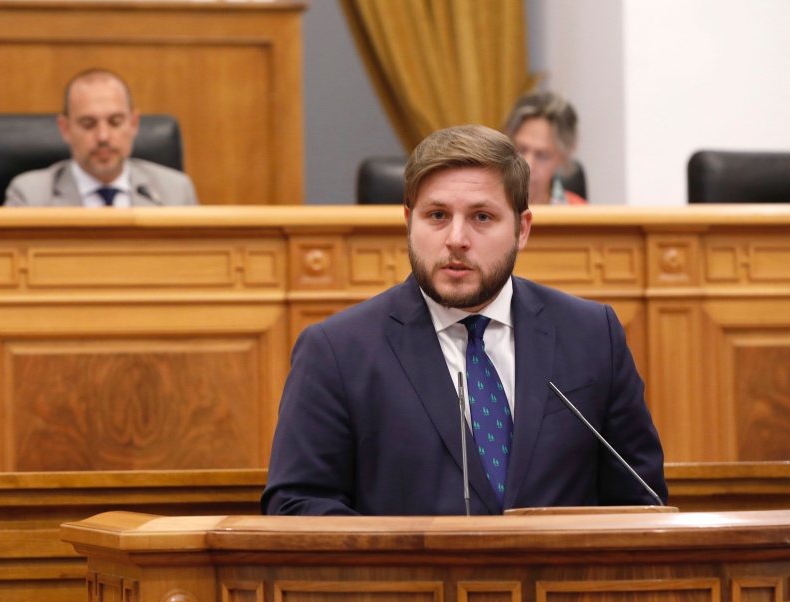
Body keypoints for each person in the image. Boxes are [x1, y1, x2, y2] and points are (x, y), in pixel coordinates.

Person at [262, 125, 666, 517]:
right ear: (409, 222)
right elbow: (298, 504)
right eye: (437, 215)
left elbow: (642, 499)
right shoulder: (337, 352)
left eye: (482, 217)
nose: (456, 238)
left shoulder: (592, 334)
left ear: (522, 229)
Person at [3, 69, 198, 207]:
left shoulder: (175, 191)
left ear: (133, 124)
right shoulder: (31, 196)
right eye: (88, 124)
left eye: (115, 122)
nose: (103, 136)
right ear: (65, 129)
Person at [504, 90, 586, 205]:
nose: (528, 165)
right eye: (521, 150)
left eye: (542, 156)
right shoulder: (484, 205)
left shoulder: (580, 212)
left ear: (563, 157)